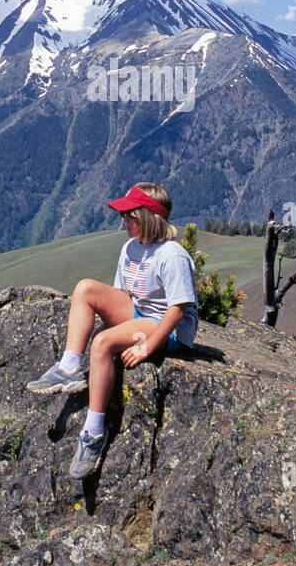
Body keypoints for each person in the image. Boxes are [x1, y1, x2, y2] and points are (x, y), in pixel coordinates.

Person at [26, 182, 198, 479]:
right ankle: (68, 367)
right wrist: (114, 323)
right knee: (84, 289)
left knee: (102, 344)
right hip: (140, 311)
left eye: (131, 216)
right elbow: (121, 295)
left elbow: (177, 309)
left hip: (165, 327)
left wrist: (147, 346)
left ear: (148, 217)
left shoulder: (172, 255)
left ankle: (93, 433)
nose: (124, 221)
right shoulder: (131, 248)